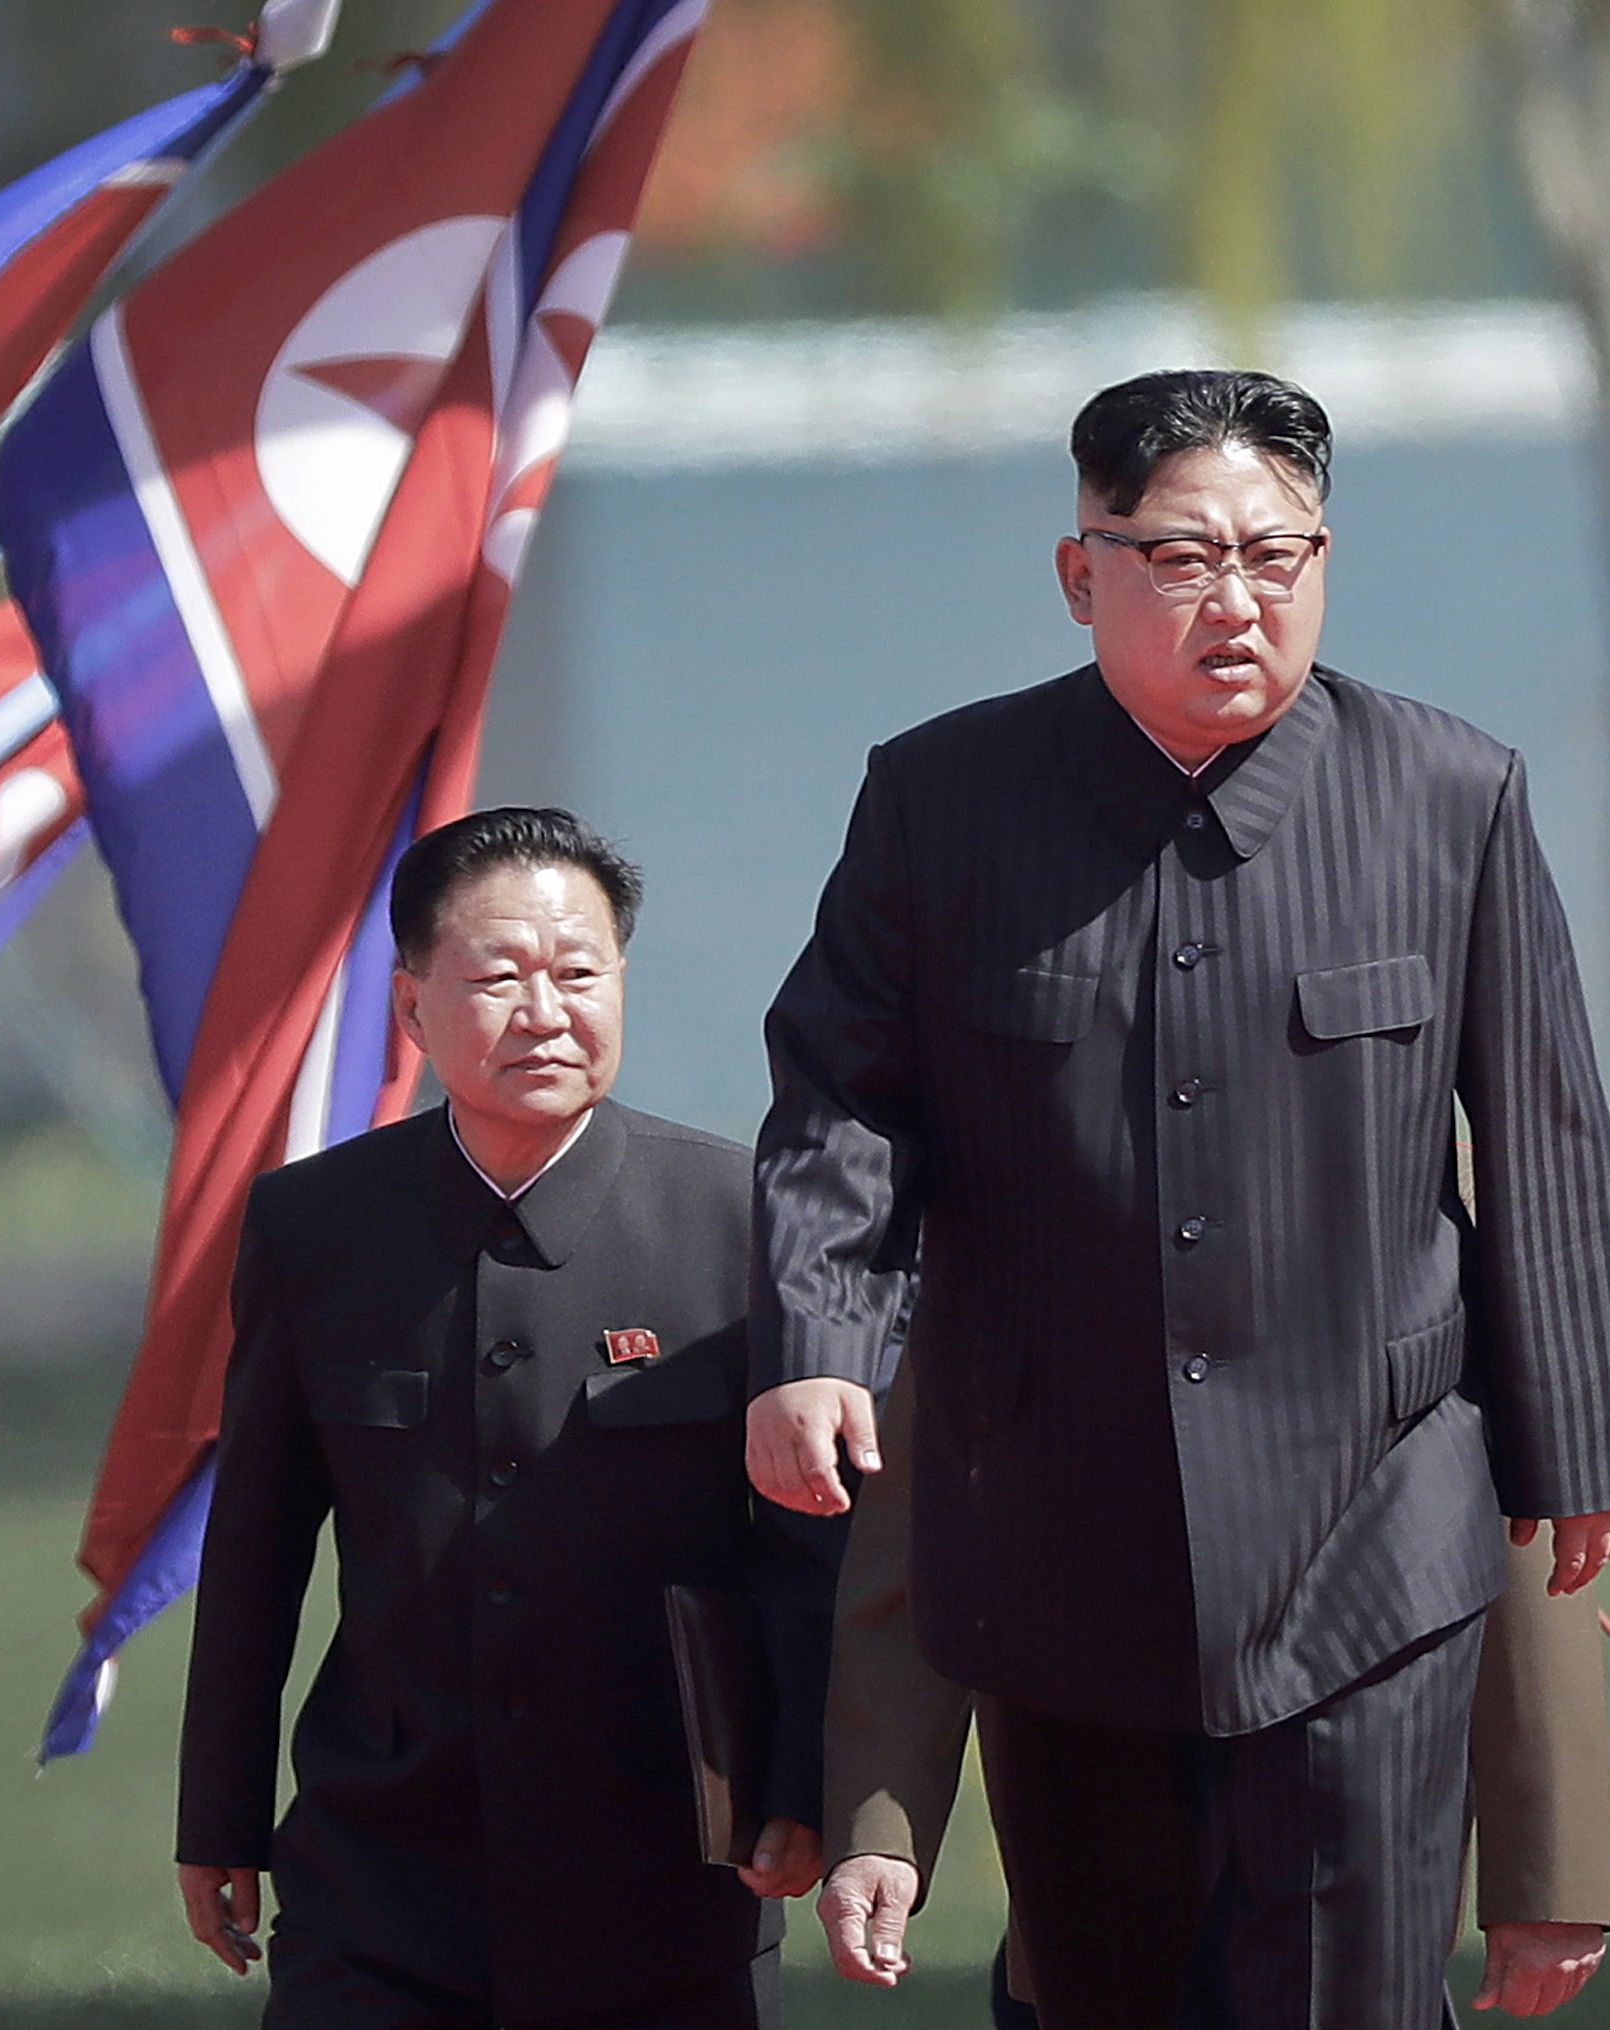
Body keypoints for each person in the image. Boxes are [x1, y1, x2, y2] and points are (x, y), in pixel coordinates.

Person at [745, 367, 1610, 2027]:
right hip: (1058, 1531)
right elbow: (844, 1103)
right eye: (1186, 560)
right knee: (1103, 1991)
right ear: (1082, 575)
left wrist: (1572, 1450)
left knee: (1348, 1992)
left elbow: (1550, 1138)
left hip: (1375, 1526)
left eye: (1277, 558)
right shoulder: (942, 804)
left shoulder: (1449, 795)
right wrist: (814, 1341)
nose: (1239, 600)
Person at [176, 806, 844, 2028]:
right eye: (497, 977)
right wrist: (218, 1815)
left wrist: (806, 1780)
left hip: (663, 1872)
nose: (545, 1010)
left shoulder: (741, 1219)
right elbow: (257, 1545)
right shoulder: (316, 1227)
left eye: (578, 972)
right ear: (413, 1009)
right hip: (383, 1868)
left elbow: (808, 1543)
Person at [818, 1362, 1610, 2023]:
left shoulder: (1403, 1177)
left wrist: (1550, 1865)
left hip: (1354, 1806)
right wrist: (880, 1827)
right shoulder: (1012, 1180)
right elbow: (927, 1506)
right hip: (1091, 1818)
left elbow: (1518, 1475)